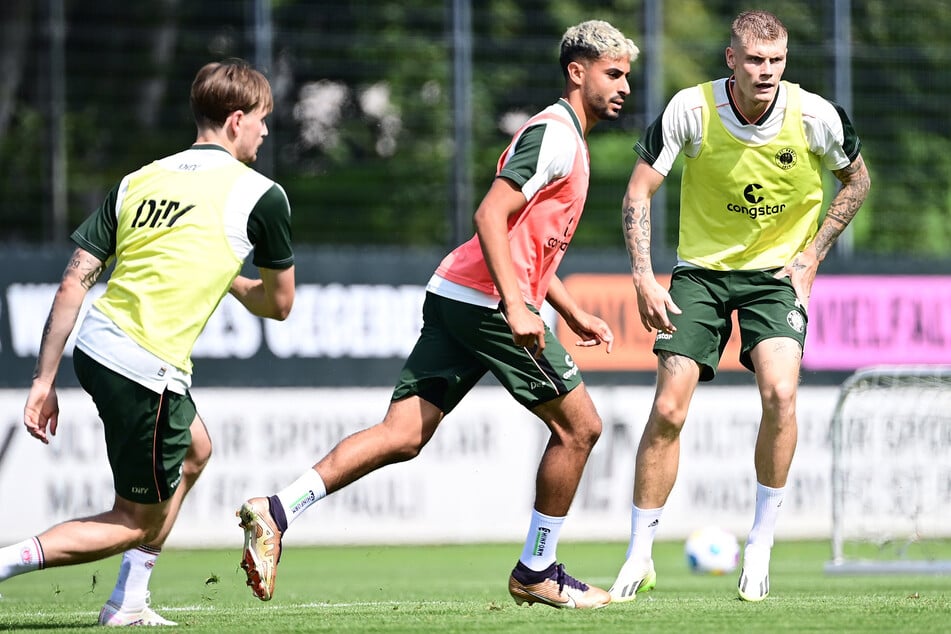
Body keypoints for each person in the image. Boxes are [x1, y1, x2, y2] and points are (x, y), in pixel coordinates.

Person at [236, 20, 639, 610]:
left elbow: (527, 242)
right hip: (484, 300)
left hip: (458, 293)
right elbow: (490, 215)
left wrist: (569, 308)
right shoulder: (556, 135)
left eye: (627, 74)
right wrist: (515, 302)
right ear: (577, 73)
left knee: (402, 435)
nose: (624, 85)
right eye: (613, 73)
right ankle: (538, 568)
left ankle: (275, 511)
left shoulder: (567, 139)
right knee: (581, 428)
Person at [0, 59, 295, 626]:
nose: (264, 131)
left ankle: (129, 600)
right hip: (145, 366)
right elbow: (278, 305)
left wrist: (43, 381)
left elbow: (74, 280)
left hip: (96, 348)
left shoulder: (140, 180)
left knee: (197, 450)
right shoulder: (262, 196)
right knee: (133, 520)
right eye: (262, 120)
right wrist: (234, 280)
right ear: (236, 120)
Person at [608, 9, 870, 604]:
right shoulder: (692, 109)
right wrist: (645, 278)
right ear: (732, 59)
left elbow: (857, 181)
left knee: (781, 393)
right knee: (669, 410)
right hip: (700, 273)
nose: (766, 71)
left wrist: (811, 258)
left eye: (776, 60)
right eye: (754, 60)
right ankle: (639, 555)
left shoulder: (813, 115)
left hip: (774, 277)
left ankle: (761, 545)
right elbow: (638, 191)